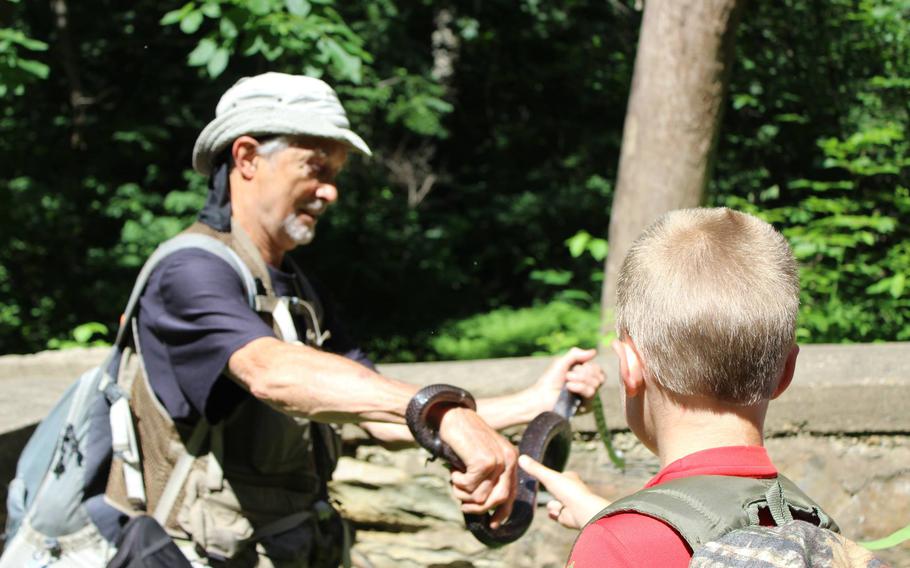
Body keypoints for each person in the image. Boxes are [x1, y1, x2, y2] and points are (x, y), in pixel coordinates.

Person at [55, 71, 603, 567]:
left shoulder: (293, 286)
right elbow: (272, 373)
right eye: (316, 167)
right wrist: (444, 414)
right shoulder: (188, 271)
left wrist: (533, 403)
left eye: (336, 172)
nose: (331, 190)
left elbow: (376, 416)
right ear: (246, 157)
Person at [519, 207, 839, 567]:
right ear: (786, 372)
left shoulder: (615, 546)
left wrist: (614, 535)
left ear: (630, 368)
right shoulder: (818, 533)